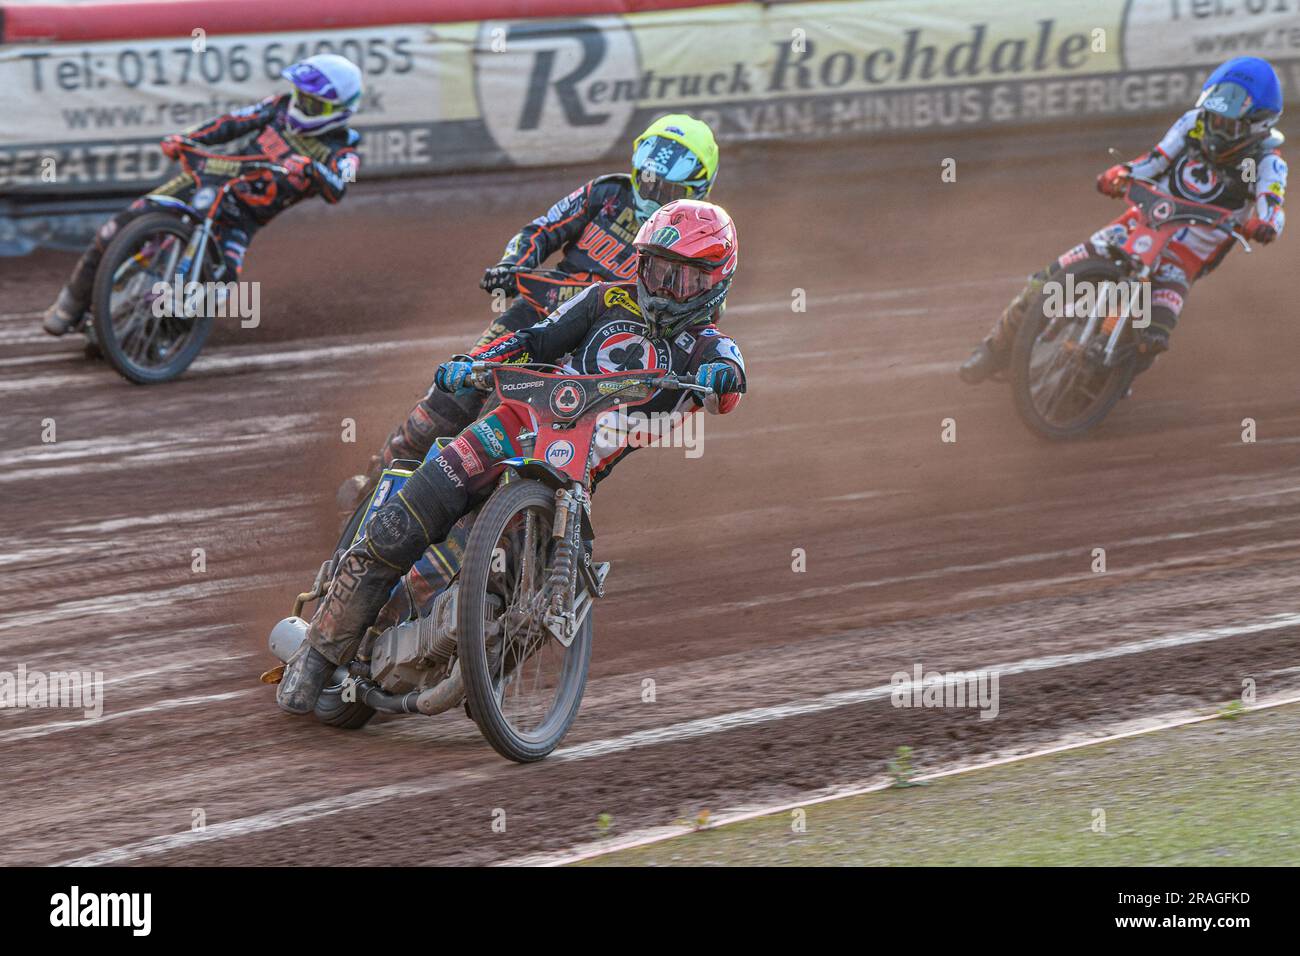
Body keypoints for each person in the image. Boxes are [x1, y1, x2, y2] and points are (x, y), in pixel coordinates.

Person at [277, 198, 746, 714]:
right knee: (399, 523)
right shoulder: (602, 298)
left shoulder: (708, 348)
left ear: (714, 283)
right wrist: (474, 364)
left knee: (542, 590)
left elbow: (731, 382)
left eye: (682, 279)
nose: (664, 288)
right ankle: (316, 656)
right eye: (657, 271)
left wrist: (721, 379)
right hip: (513, 426)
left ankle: (485, 676)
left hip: (572, 477)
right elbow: (535, 339)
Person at [342, 114, 720, 503]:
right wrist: (512, 264)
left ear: (697, 188)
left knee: (566, 444)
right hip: (538, 314)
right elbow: (541, 229)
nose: (651, 191)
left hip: (603, 346)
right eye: (647, 179)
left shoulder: (703, 237)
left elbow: (703, 315)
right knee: (449, 399)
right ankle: (374, 482)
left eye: (665, 186)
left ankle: (545, 530)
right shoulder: (607, 192)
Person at [959, 56, 1287, 384]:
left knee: (1154, 334)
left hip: (1184, 257)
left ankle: (1107, 381)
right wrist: (1122, 173)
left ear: (1257, 126)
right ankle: (993, 349)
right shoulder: (1193, 123)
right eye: (1213, 116)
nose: (1215, 127)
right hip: (1139, 224)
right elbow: (1156, 159)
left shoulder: (1268, 163)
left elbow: (1272, 205)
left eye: (1227, 123)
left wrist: (1266, 224)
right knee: (1047, 280)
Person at [41, 54, 363, 337]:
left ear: (338, 110)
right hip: (208, 178)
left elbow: (341, 183)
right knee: (116, 228)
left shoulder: (343, 149)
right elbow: (232, 122)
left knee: (218, 290)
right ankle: (70, 304)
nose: (301, 106)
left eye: (312, 103)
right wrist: (186, 139)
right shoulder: (278, 107)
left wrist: (313, 170)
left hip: (241, 217)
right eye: (300, 96)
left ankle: (155, 341)